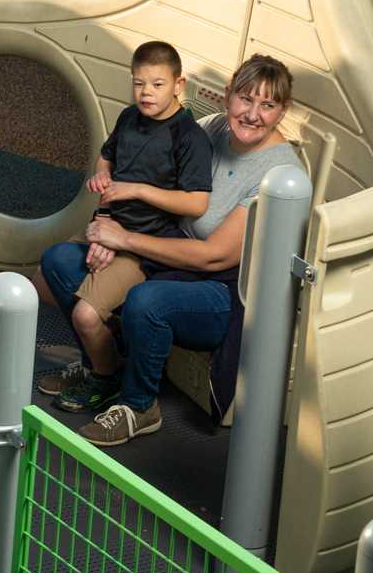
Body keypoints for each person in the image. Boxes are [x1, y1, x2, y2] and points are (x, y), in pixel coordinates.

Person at [48, 54, 304, 446]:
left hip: (224, 289)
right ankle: (102, 370)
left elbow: (215, 256)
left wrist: (125, 239)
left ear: (282, 110)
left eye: (268, 105)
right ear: (228, 96)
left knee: (147, 299)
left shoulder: (280, 175)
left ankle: (139, 406)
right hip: (168, 249)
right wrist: (108, 226)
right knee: (61, 261)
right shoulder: (216, 127)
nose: (252, 114)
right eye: (245, 99)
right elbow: (140, 165)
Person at [35, 40, 212, 415]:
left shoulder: (189, 137)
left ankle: (105, 376)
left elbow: (196, 203)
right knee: (45, 276)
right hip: (108, 224)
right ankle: (97, 357)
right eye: (139, 83)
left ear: (179, 85)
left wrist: (135, 192)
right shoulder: (129, 118)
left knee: (85, 315)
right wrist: (103, 191)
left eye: (157, 84)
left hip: (141, 244)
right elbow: (106, 157)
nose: (146, 93)